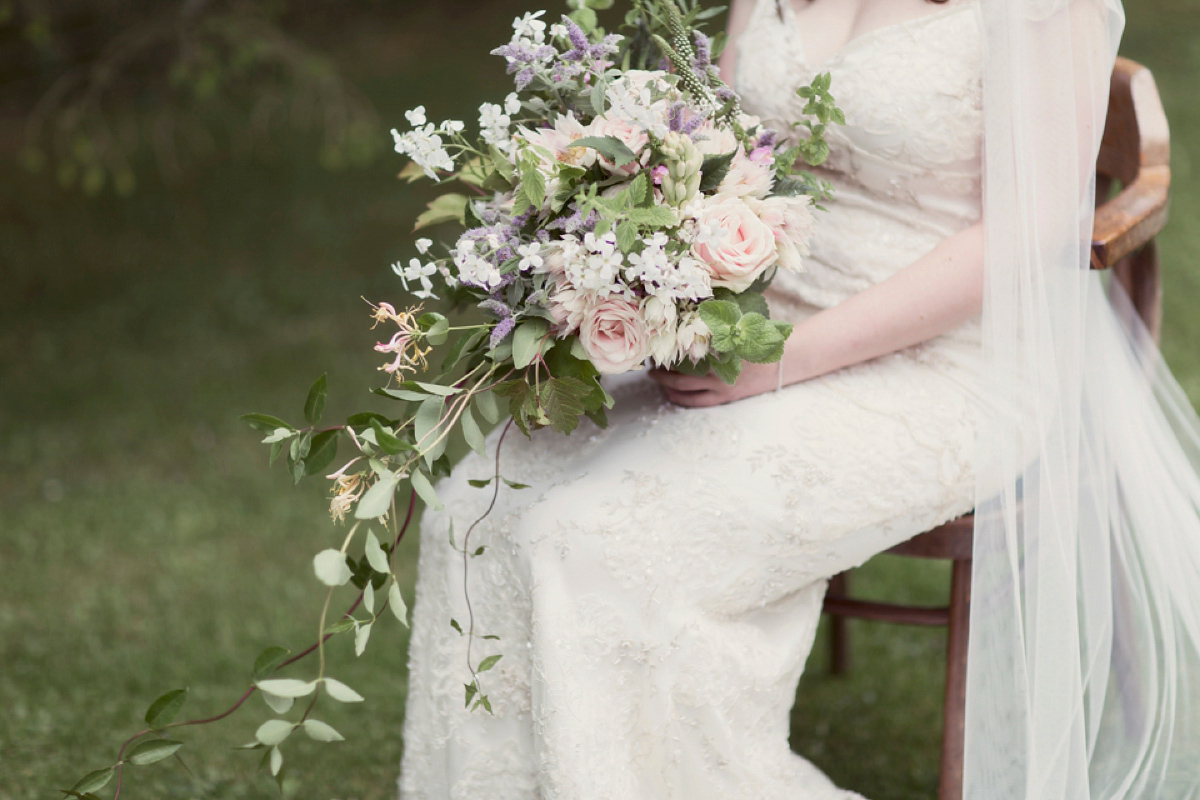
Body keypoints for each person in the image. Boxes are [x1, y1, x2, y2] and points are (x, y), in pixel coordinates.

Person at [400, 0, 1200, 797]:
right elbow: (712, 140)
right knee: (476, 504)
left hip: (943, 365)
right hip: (744, 325)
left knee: (598, 540)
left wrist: (780, 362)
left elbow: (1028, 234)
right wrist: (646, 264)